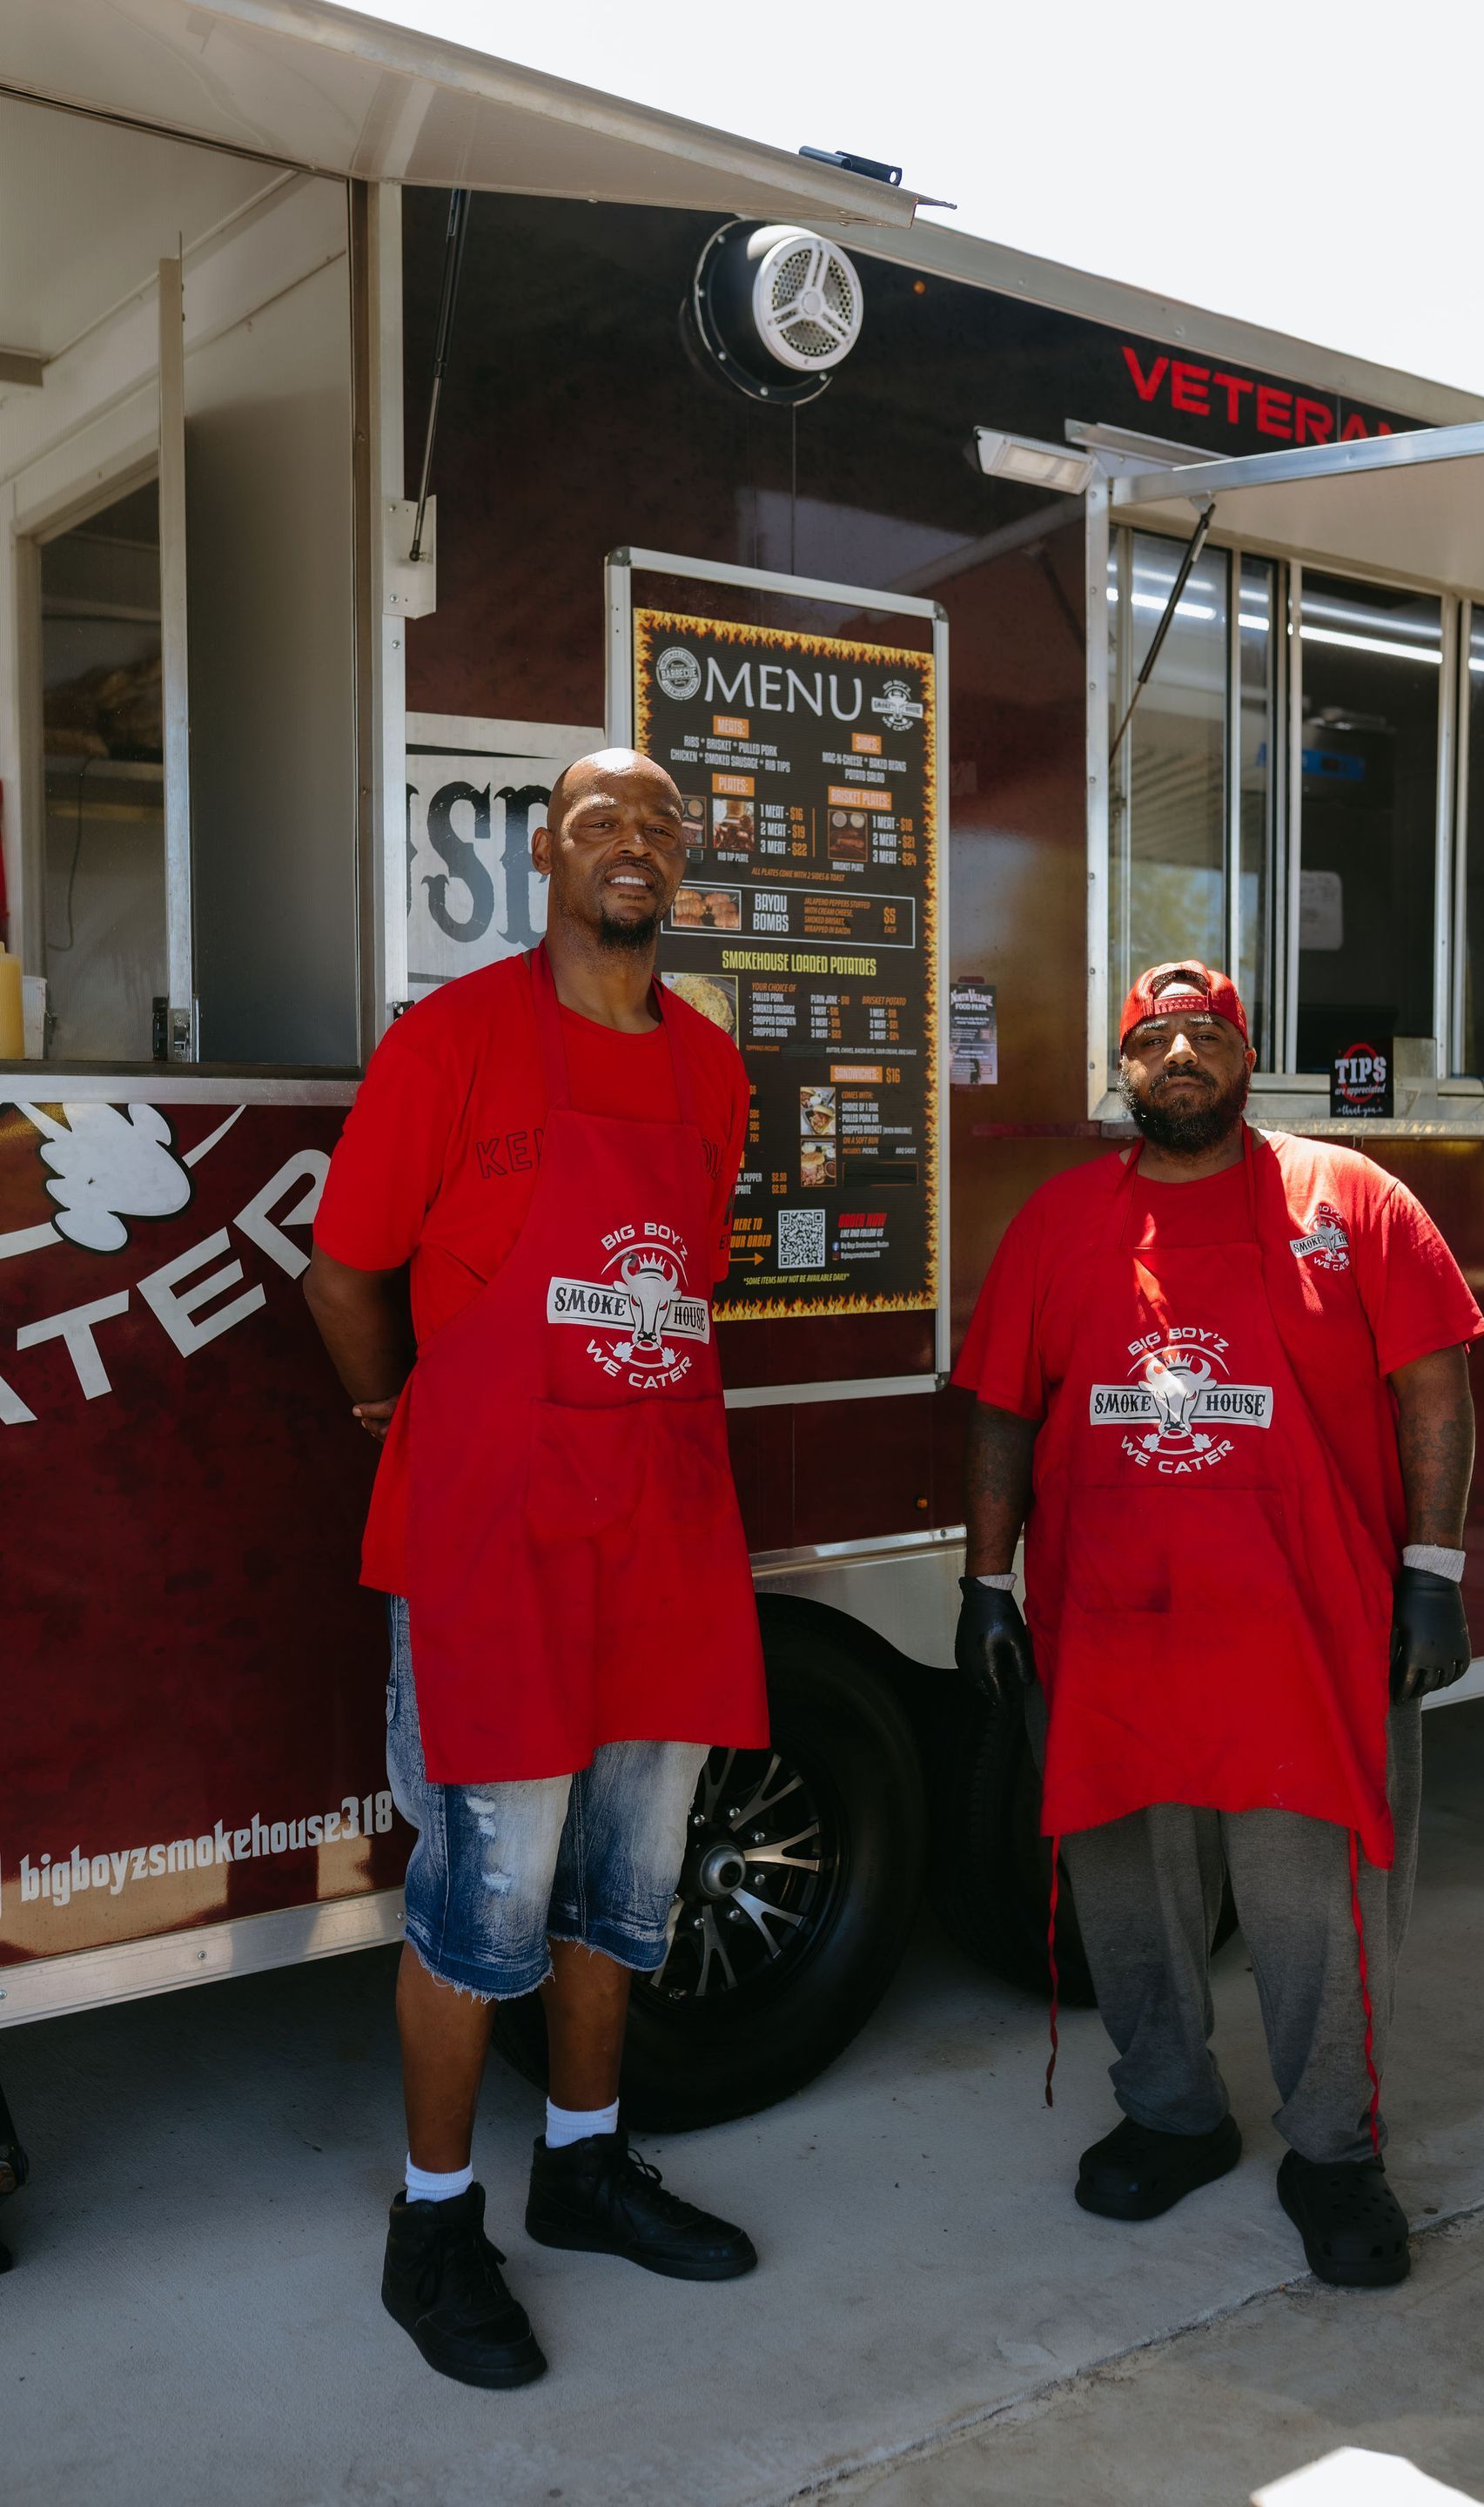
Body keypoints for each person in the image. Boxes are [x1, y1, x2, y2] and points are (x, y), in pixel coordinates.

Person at [304, 749, 768, 2389]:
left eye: (661, 826)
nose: (633, 847)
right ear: (543, 859)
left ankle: (582, 2166)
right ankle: (435, 2227)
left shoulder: (713, 1071)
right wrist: (398, 1408)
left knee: (627, 1894)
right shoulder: (454, 1041)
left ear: (682, 865)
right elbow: (348, 1270)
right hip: (496, 1537)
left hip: (662, 1529)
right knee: (480, 1904)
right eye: (598, 824)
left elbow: (680, 1282)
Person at [953, 961, 1484, 2289]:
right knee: (1131, 1889)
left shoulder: (1349, 1200)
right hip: (1116, 1621)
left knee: (1320, 1903)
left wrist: (1433, 1569)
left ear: (1247, 1060)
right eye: (1152, 1039)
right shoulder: (1059, 1223)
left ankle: (1334, 2151)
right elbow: (1003, 1409)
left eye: (1204, 1035)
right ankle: (1172, 2112)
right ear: (1121, 1069)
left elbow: (1437, 1388)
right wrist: (983, 1582)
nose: (1178, 1055)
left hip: (1309, 1623)